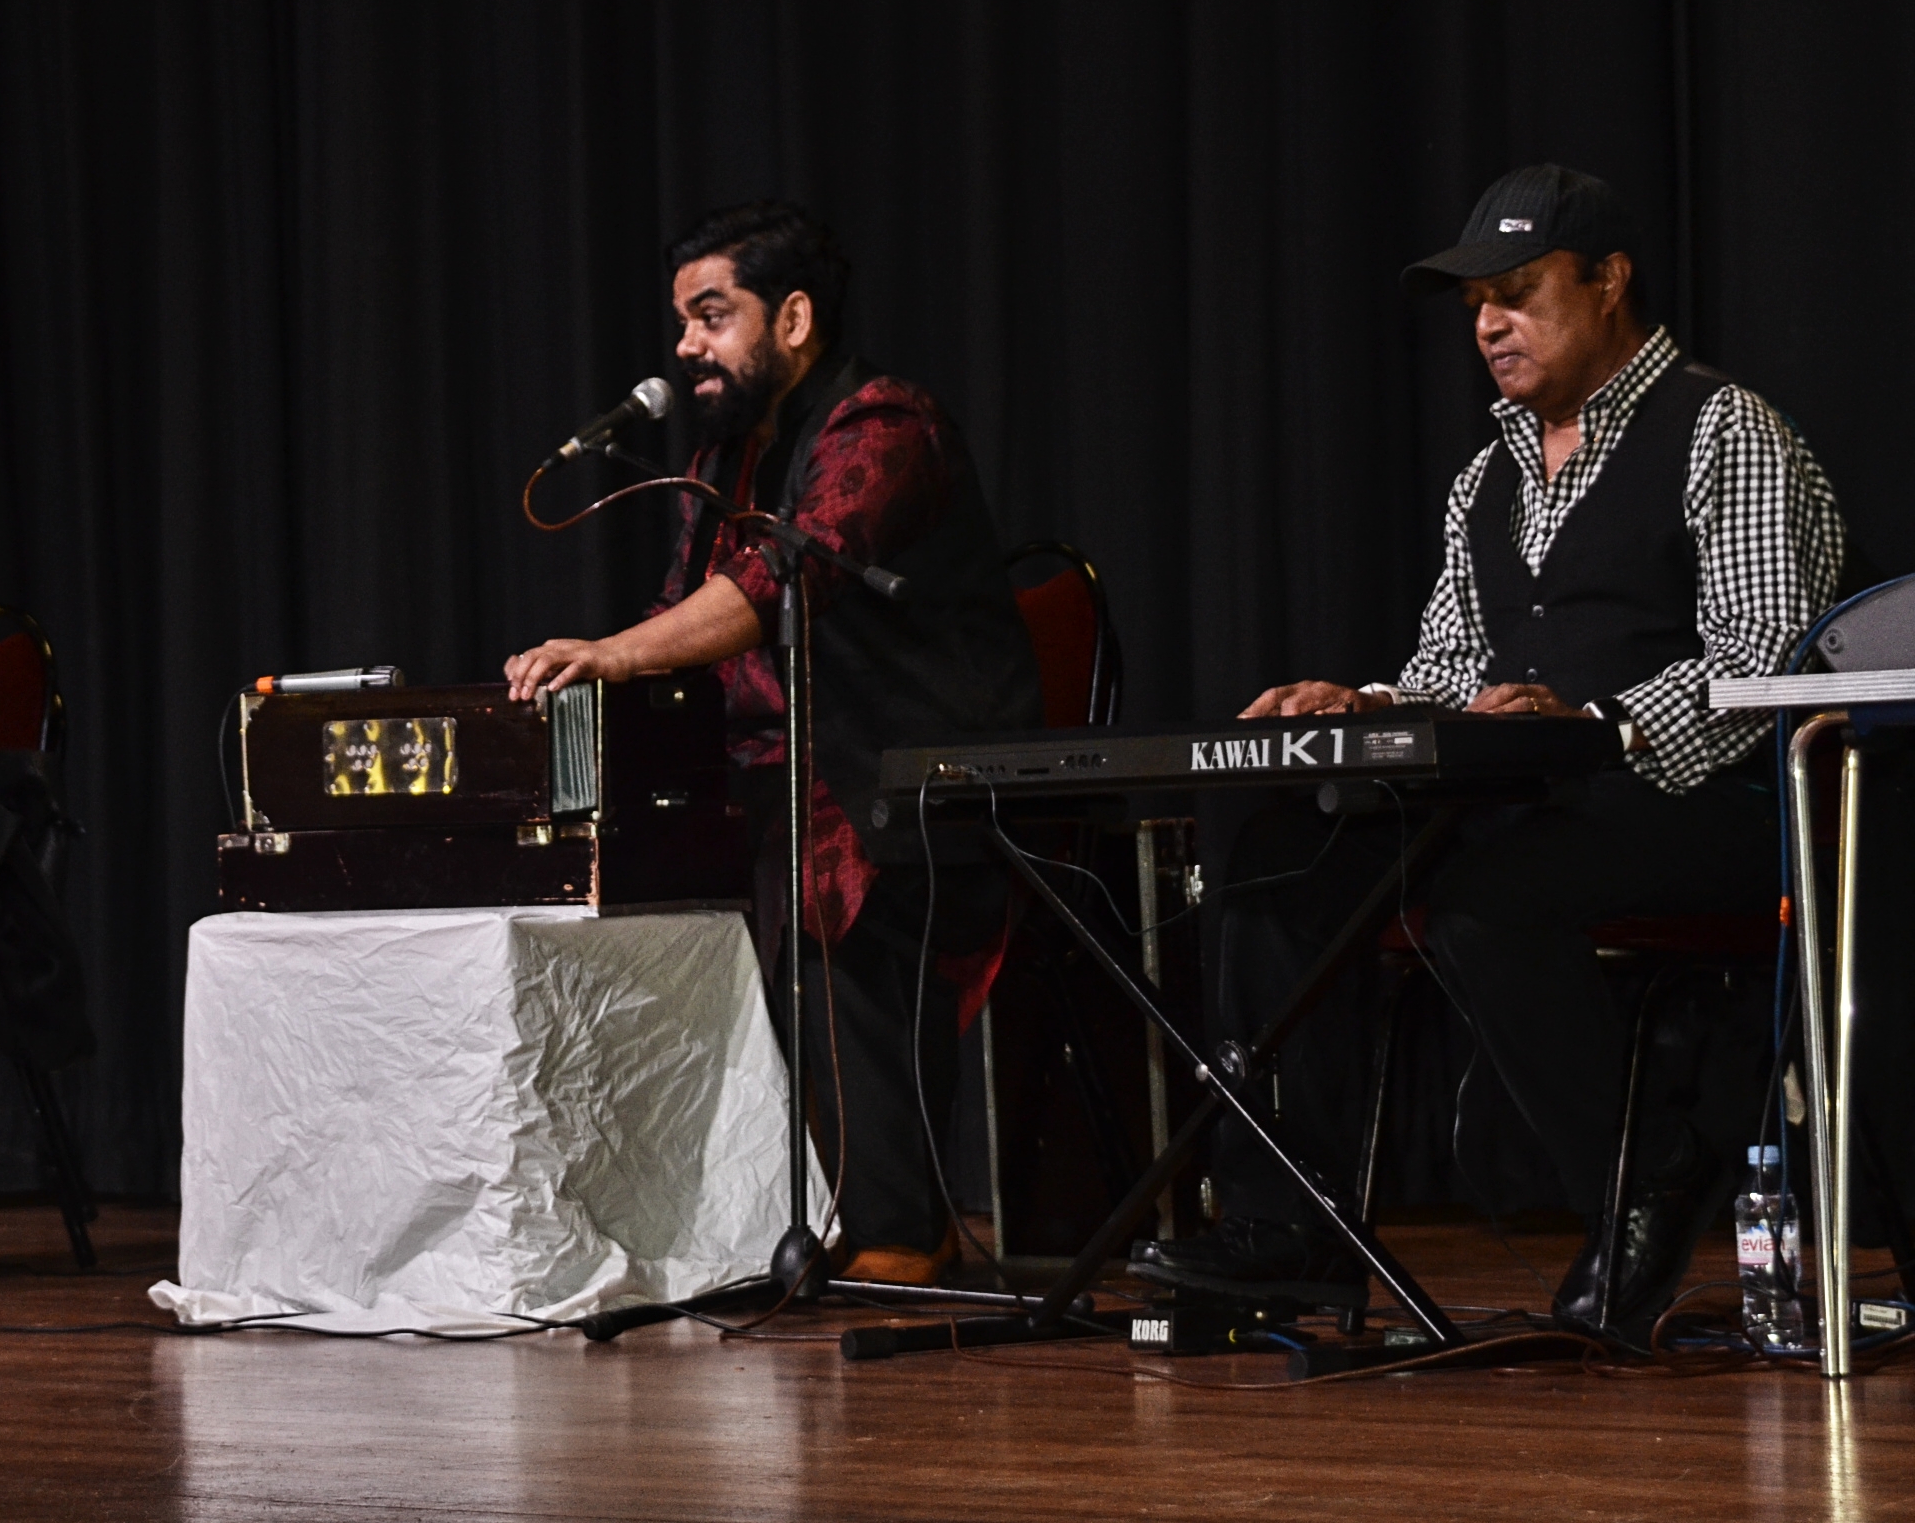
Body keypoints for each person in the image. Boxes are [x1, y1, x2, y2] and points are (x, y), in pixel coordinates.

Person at [1127, 165, 1847, 1342]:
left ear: (1608, 282)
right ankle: (1290, 1226)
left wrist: (1599, 724)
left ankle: (1641, 1178)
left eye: (1517, 294)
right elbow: (1452, 665)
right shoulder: (1488, 476)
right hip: (1537, 805)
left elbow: (1763, 656)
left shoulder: (1723, 429)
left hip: (1709, 801)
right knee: (1277, 858)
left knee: (1482, 899)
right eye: (1475, 306)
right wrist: (1363, 700)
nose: (1489, 325)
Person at [505, 202, 1044, 1284]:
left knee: (816, 862)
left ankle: (899, 1232)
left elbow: (775, 582)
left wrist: (615, 654)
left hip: (905, 775)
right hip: (774, 772)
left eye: (712, 316)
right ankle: (687, 1220)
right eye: (682, 321)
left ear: (792, 318)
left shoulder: (883, 425)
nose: (685, 346)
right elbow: (685, 612)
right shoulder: (728, 454)